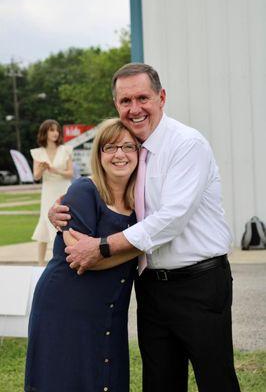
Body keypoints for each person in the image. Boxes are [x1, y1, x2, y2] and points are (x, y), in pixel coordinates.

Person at [49, 63, 241, 392]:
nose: (134, 109)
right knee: (160, 382)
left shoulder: (186, 145)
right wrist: (64, 207)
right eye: (126, 101)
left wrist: (102, 247)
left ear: (161, 97)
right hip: (151, 287)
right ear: (116, 105)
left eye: (143, 98)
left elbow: (172, 217)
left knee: (215, 379)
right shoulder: (133, 153)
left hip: (199, 283)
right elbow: (112, 198)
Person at [25, 119, 140, 392]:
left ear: (139, 152)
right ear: (98, 154)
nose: (120, 154)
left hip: (109, 309)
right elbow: (83, 259)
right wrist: (141, 244)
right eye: (110, 147)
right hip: (65, 305)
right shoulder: (84, 191)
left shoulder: (142, 200)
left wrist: (143, 240)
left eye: (128, 146)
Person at [30, 119, 73, 265]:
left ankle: (64, 259)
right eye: (51, 130)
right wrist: (42, 168)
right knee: (44, 222)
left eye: (57, 130)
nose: (55, 133)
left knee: (65, 221)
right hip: (48, 190)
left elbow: (70, 173)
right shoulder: (38, 153)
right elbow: (36, 176)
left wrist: (55, 170)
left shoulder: (65, 150)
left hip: (64, 189)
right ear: (45, 132)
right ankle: (40, 263)